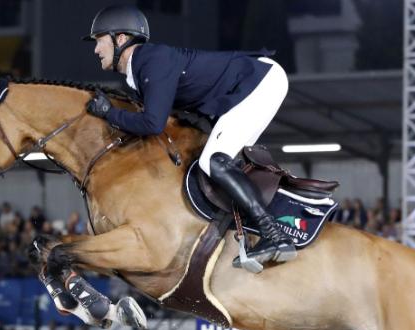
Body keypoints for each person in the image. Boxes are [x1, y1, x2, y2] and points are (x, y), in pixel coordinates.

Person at [82, 5, 295, 268]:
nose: (95, 50)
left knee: (214, 160)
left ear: (121, 39)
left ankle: (274, 234)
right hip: (250, 86)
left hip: (258, 81)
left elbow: (152, 123)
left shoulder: (150, 60)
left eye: (99, 41)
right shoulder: (137, 73)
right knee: (218, 160)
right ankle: (253, 233)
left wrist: (109, 114)